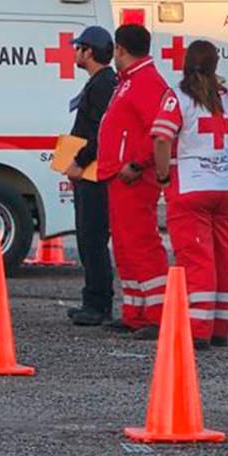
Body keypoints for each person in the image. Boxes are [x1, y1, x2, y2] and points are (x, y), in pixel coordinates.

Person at [151, 40, 228, 350]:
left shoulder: (178, 97)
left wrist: (162, 175)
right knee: (225, 257)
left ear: (186, 63)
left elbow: (161, 138)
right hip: (226, 188)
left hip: (190, 187)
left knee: (197, 259)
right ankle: (219, 328)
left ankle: (197, 329)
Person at [97, 23, 171, 339]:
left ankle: (158, 314)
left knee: (141, 243)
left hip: (134, 177)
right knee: (126, 245)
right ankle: (135, 311)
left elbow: (159, 131)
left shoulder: (145, 82)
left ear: (120, 49)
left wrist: (138, 164)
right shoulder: (130, 81)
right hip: (120, 174)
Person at [63, 26, 118, 327]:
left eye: (79, 48)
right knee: (87, 238)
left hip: (94, 174)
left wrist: (79, 162)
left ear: (90, 52)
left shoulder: (102, 85)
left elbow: (100, 133)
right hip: (89, 172)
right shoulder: (100, 83)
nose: (74, 53)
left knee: (92, 237)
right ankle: (91, 300)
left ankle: (99, 305)